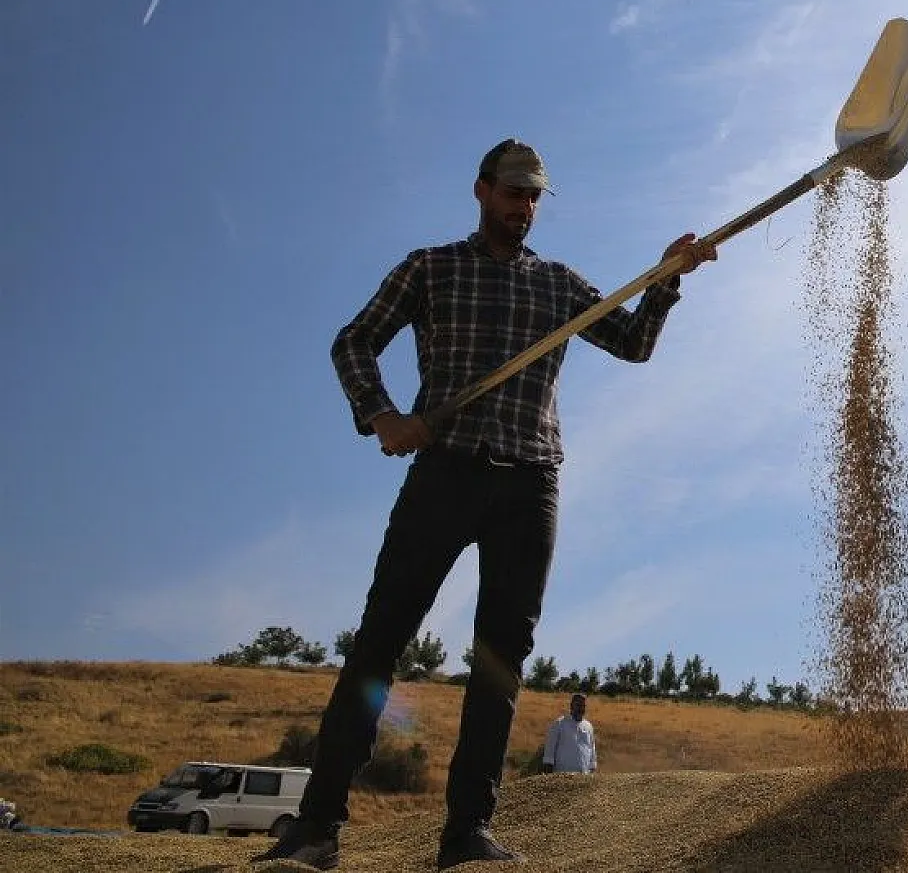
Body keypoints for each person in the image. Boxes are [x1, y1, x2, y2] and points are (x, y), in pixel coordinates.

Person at [258, 139, 715, 870]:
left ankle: (467, 832)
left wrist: (665, 280)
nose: (522, 207)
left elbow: (631, 344)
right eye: (512, 192)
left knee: (501, 662)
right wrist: (383, 416)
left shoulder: (558, 283)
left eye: (534, 196)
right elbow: (353, 342)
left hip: (530, 483)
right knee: (381, 642)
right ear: (481, 190)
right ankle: (317, 828)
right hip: (446, 471)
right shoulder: (431, 267)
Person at [541, 693, 597, 774]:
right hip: (562, 777)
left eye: (583, 706)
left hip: (584, 777)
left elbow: (592, 750)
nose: (581, 708)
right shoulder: (559, 724)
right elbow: (549, 752)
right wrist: (549, 777)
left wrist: (592, 770)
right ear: (571, 706)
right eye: (578, 705)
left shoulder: (588, 726)